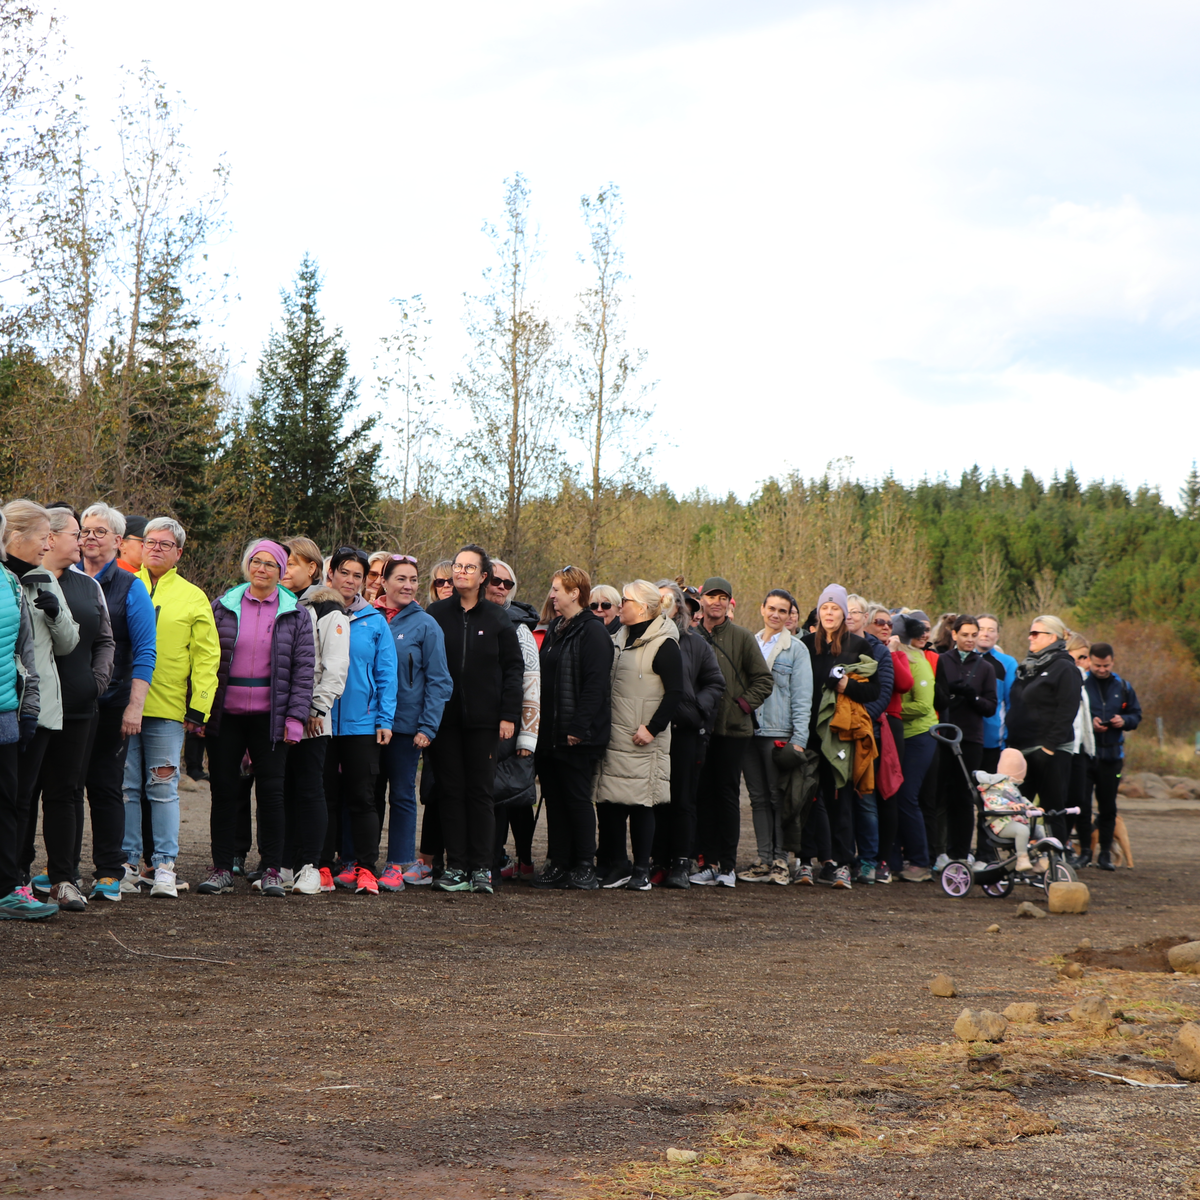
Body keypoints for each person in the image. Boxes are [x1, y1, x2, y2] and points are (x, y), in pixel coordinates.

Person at [198, 540, 314, 898]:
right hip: (226, 716)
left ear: (281, 572)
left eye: (269, 564)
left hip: (271, 718)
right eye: (256, 562)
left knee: (272, 794)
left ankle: (272, 870)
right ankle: (221, 868)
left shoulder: (296, 613)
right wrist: (199, 711)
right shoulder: (222, 606)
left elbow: (303, 671)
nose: (261, 569)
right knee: (224, 791)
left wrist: (295, 719)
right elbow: (203, 659)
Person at [24, 506, 115, 912]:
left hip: (79, 707)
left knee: (66, 792)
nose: (82, 542)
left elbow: (105, 640)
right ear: (50, 537)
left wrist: (96, 683)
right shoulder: (19, 581)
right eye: (75, 534)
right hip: (32, 706)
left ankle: (64, 879)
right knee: (23, 793)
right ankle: (17, 877)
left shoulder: (88, 586)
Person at [123, 517, 220, 899]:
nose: (156, 549)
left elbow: (207, 657)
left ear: (179, 552)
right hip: (122, 705)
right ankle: (128, 864)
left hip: (167, 709)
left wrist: (199, 708)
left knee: (163, 787)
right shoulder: (123, 585)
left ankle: (164, 865)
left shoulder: (193, 597)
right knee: (126, 787)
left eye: (165, 544)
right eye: (150, 542)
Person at [426, 544, 523, 893]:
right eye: (457, 566)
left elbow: (514, 669)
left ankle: (482, 868)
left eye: (469, 567)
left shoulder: (497, 618)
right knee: (450, 792)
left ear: (483, 577)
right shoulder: (436, 613)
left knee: (481, 793)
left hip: (486, 722)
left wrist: (509, 715)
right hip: (444, 720)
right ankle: (457, 867)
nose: (461, 572)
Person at [76, 504, 157, 902]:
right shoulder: (64, 578)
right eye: (85, 531)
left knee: (106, 785)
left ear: (118, 541)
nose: (90, 537)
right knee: (65, 786)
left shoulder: (131, 587)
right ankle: (61, 868)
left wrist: (134, 707)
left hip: (113, 701)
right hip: (71, 702)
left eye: (99, 531)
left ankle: (109, 870)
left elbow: (145, 651)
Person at [1, 501, 79, 896]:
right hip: (6, 704)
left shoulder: (45, 579)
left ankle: (17, 876)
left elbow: (68, 643)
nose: (48, 546)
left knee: (22, 797)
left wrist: (55, 614)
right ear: (15, 536)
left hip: (38, 706)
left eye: (52, 537)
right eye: (43, 537)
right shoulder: (6, 580)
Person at [594, 580, 681, 890]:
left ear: (643, 608)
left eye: (626, 600)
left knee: (642, 804)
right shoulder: (617, 639)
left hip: (642, 740)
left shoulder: (665, 644)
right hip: (615, 737)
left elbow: (675, 692)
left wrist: (652, 729)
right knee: (611, 803)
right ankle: (618, 865)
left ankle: (642, 869)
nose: (620, 606)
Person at [320, 546, 397, 896]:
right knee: (324, 796)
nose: (350, 581)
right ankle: (322, 866)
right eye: (345, 573)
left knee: (363, 798)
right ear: (331, 574)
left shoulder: (375, 621)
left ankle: (366, 869)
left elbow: (386, 674)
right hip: (320, 722)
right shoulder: (314, 611)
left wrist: (384, 719)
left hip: (362, 724)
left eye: (358, 576)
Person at [532, 565, 613, 890]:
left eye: (556, 589)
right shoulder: (556, 628)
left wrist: (578, 727)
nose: (551, 595)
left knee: (577, 799)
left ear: (575, 593)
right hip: (550, 734)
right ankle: (559, 862)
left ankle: (584, 865)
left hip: (578, 736)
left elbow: (595, 685)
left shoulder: (592, 631)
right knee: (553, 799)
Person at [690, 576, 773, 887]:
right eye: (712, 596)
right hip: (699, 729)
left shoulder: (742, 637)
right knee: (702, 795)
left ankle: (727, 866)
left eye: (723, 597)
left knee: (726, 795)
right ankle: (707, 863)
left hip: (733, 730)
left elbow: (764, 680)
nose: (717, 602)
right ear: (701, 600)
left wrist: (742, 706)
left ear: (729, 603)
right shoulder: (690, 635)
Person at [377, 554, 451, 891]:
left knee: (402, 794)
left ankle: (397, 863)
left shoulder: (426, 625)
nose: (408, 586)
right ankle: (358, 862)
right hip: (365, 724)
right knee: (365, 795)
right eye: (401, 579)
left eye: (413, 579)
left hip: (406, 727)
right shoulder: (367, 617)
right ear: (384, 582)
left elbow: (439, 680)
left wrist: (427, 726)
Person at [279, 538, 349, 895]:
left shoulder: (328, 609)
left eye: (292, 563)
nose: (285, 569)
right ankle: (282, 865)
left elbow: (335, 666)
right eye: (283, 562)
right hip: (277, 716)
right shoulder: (275, 602)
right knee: (282, 791)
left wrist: (316, 708)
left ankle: (311, 866)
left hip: (311, 718)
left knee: (309, 789)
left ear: (312, 568)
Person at [801, 585, 881, 890]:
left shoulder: (859, 646)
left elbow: (874, 690)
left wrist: (849, 686)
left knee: (840, 800)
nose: (829, 613)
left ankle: (843, 864)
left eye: (835, 608)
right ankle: (806, 861)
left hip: (841, 734)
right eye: (825, 608)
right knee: (807, 797)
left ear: (844, 613)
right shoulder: (805, 644)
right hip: (808, 733)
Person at [652, 581, 723, 889]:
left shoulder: (695, 644)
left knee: (682, 799)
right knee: (654, 800)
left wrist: (695, 709)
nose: (663, 605)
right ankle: (656, 861)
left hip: (684, 732)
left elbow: (715, 683)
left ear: (679, 607)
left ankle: (681, 862)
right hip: (651, 732)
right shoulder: (640, 639)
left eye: (669, 600)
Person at [739, 590, 812, 885]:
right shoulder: (749, 643)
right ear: (762, 609)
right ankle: (763, 859)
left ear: (789, 615)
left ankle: (781, 861)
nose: (776, 615)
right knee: (757, 798)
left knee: (778, 797)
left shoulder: (796, 650)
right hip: (748, 733)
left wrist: (799, 739)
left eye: (783, 610)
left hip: (779, 734)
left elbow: (802, 698)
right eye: (772, 608)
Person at [0, 511, 52, 920]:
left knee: (7, 804)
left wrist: (29, 708)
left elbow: (25, 654)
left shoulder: (10, 582)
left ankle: (6, 890)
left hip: (5, 714)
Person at [1005, 615, 1081, 845]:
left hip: (1050, 750)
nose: (1030, 637)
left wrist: (1049, 748)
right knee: (1019, 809)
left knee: (1052, 808)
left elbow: (1067, 710)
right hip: (1022, 748)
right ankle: (1023, 858)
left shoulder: (1065, 667)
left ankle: (1057, 860)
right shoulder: (1029, 667)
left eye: (1036, 633)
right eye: (1030, 633)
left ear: (1052, 637)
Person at [486, 559, 540, 885]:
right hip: (473, 725)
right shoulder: (465, 617)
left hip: (509, 727)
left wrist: (527, 738)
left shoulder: (520, 629)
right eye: (496, 580)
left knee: (504, 796)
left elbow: (531, 685)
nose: (502, 587)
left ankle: (499, 863)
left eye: (508, 583)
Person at [931, 616, 997, 868]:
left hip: (970, 739)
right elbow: (933, 697)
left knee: (964, 796)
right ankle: (936, 852)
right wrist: (947, 692)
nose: (970, 640)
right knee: (938, 794)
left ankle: (960, 852)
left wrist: (973, 697)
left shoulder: (986, 667)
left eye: (974, 635)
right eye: (965, 635)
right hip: (941, 735)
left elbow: (990, 707)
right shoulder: (940, 660)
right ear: (954, 635)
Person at [843, 593, 894, 884]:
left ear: (865, 617)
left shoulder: (879, 652)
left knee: (865, 800)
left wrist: (858, 721)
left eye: (855, 612)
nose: (849, 616)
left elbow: (883, 694)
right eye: (845, 611)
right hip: (835, 734)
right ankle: (842, 858)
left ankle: (868, 862)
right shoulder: (833, 646)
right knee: (839, 799)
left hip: (866, 734)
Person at [886, 612, 936, 882]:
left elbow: (924, 706)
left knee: (907, 796)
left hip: (919, 736)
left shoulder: (917, 662)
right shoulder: (893, 656)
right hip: (899, 736)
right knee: (894, 795)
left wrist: (891, 713)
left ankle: (920, 862)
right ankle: (894, 860)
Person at [1084, 641, 1142, 872]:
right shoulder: (1080, 685)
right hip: (1086, 754)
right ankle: (1085, 852)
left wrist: (1123, 720)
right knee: (1082, 804)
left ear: (1112, 662)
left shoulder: (1123, 686)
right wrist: (1090, 723)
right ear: (1089, 661)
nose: (1102, 669)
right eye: (1097, 665)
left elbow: (1136, 715)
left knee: (1108, 807)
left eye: (1106, 665)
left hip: (1112, 755)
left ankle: (1105, 854)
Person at [870, 603, 913, 884]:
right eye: (879, 622)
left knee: (887, 792)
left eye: (889, 623)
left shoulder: (897, 653)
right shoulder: (860, 648)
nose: (886, 627)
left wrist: (893, 652)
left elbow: (905, 684)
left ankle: (883, 859)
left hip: (890, 726)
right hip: (863, 722)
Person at [977, 749, 1044, 873]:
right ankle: (1022, 858)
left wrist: (1031, 807)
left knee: (1040, 830)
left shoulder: (1011, 788)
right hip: (1002, 824)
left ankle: (1041, 858)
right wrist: (1009, 805)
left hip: (1017, 821)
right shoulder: (994, 786)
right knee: (1022, 830)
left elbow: (1021, 800)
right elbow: (992, 801)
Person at [1063, 633, 1096, 868]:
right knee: (1064, 799)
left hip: (1081, 748)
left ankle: (1070, 844)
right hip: (1065, 745)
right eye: (1080, 656)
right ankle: (1060, 844)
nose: (1084, 661)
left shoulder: (1083, 680)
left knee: (1077, 799)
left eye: (1086, 657)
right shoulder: (1067, 675)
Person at [975, 615, 1017, 773]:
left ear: (997, 636)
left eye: (991, 630)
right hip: (963, 736)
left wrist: (1007, 737)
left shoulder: (1007, 663)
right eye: (981, 629)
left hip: (993, 739)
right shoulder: (958, 658)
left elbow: (1012, 703)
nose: (985, 634)